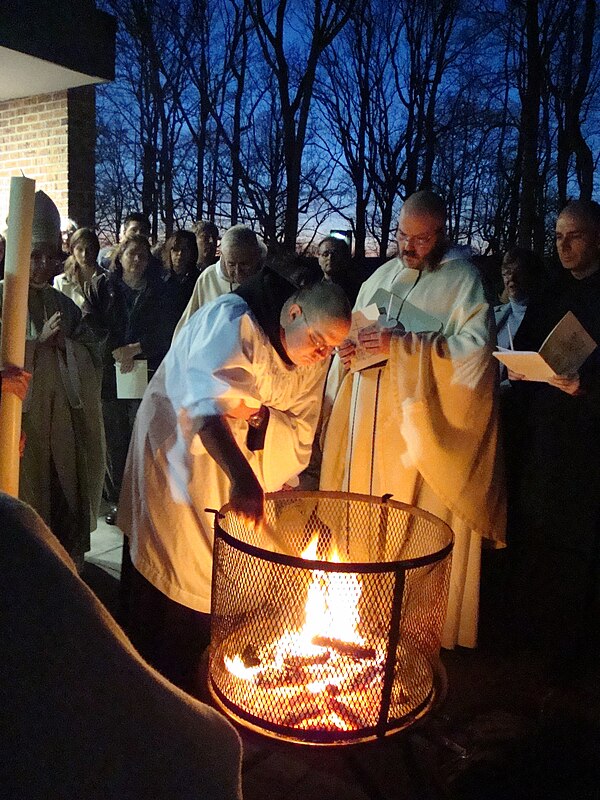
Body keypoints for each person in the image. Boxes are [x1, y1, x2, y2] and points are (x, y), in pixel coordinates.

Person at [118, 261, 351, 692]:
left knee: (228, 574)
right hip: (181, 452)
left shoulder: (315, 357)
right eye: (318, 342)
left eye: (330, 350)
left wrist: (260, 417)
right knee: (177, 563)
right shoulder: (232, 321)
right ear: (293, 313)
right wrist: (244, 480)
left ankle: (211, 674)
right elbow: (205, 410)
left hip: (246, 460)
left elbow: (300, 429)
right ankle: (155, 679)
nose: (321, 355)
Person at [319, 190, 505, 649]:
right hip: (368, 426)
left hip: (419, 434)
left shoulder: (464, 282)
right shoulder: (380, 276)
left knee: (413, 526)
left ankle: (411, 631)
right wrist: (347, 352)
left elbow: (476, 358)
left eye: (421, 240)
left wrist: (403, 347)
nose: (408, 248)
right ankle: (356, 617)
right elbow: (354, 336)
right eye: (403, 235)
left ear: (442, 235)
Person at [509, 200, 600, 664]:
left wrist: (587, 386)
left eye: (575, 236)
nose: (564, 246)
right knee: (537, 534)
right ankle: (533, 638)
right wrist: (519, 369)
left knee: (577, 546)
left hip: (588, 443)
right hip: (543, 435)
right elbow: (524, 346)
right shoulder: (549, 291)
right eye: (559, 237)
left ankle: (571, 650)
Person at [0, 191, 105, 572]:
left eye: (49, 256)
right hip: (21, 423)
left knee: (61, 495)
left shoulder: (64, 304)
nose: (44, 265)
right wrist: (36, 343)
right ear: (19, 254)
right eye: (34, 256)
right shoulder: (4, 298)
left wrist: (67, 348)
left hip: (60, 422)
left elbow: (94, 356)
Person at [84, 234, 180, 525]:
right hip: (110, 378)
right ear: (120, 257)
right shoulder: (101, 287)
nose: (136, 260)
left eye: (142, 255)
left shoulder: (160, 291)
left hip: (145, 375)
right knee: (114, 440)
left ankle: (142, 498)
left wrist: (136, 348)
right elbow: (89, 322)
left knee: (143, 437)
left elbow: (167, 328)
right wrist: (113, 348)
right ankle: (117, 501)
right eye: (131, 254)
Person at [173, 224, 264, 339]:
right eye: (231, 264)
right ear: (223, 257)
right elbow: (188, 326)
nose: (237, 271)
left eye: (244, 264)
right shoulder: (209, 278)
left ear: (256, 257)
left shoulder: (266, 281)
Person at [494, 247, 544, 386]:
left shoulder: (545, 319)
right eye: (507, 273)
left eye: (519, 272)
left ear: (532, 276)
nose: (511, 279)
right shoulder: (491, 315)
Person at [53, 227, 103, 308]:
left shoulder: (108, 280)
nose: (84, 254)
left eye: (89, 249)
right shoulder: (60, 282)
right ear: (72, 251)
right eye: (80, 249)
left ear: (96, 250)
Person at [317, 235, 365, 306]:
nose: (330, 257)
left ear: (345, 257)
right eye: (325, 254)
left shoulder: (360, 290)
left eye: (335, 253)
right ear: (319, 259)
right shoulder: (312, 290)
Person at [161, 229, 199, 317]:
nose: (180, 254)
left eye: (185, 249)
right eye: (175, 249)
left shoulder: (199, 279)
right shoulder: (158, 278)